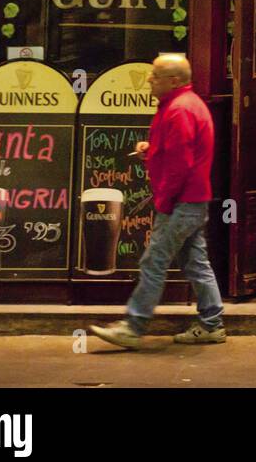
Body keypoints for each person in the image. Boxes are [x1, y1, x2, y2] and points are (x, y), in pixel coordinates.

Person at [90, 54, 224, 349]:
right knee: (195, 262)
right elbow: (178, 151)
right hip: (193, 200)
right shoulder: (184, 106)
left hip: (181, 202)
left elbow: (180, 165)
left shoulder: (179, 110)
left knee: (154, 261)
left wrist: (163, 200)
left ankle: (133, 326)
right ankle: (212, 324)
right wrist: (152, 150)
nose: (149, 79)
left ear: (173, 81)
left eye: (155, 75)